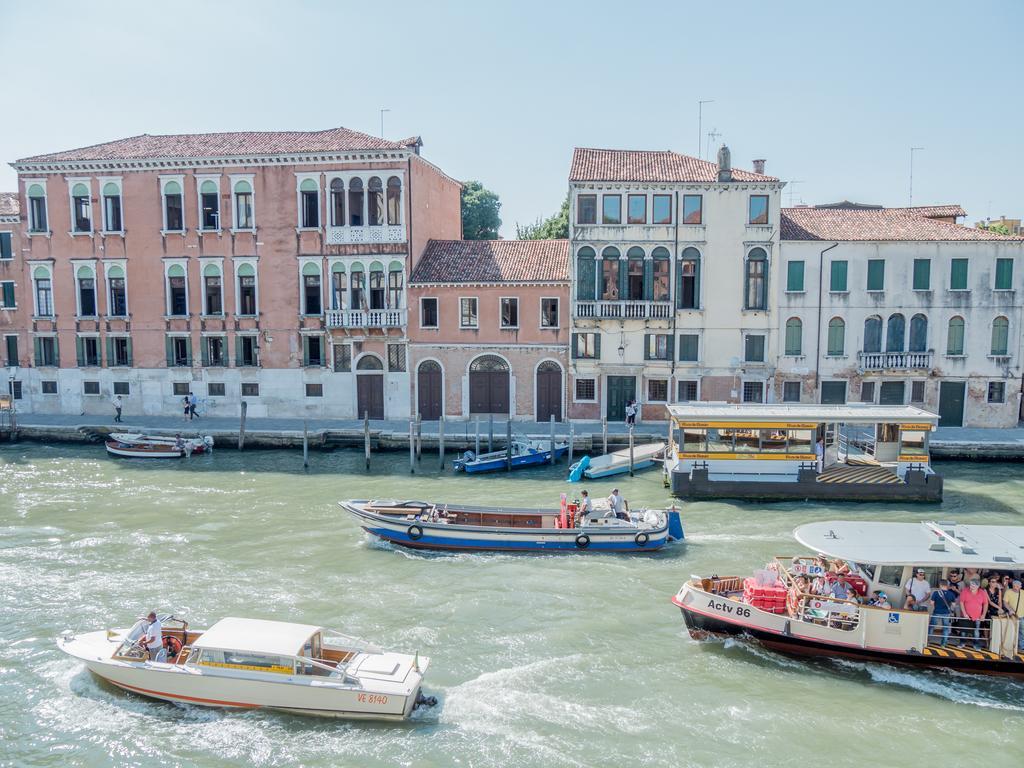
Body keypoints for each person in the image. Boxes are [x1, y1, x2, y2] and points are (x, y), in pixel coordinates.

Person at [958, 580, 988, 650]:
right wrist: (965, 613)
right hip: (966, 616)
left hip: (977, 616)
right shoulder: (965, 591)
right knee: (963, 631)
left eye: (973, 586)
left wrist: (983, 615)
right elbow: (961, 602)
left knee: (976, 632)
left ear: (978, 586)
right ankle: (962, 643)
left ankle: (976, 645)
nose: (971, 587)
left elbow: (986, 604)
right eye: (971, 585)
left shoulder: (982, 592)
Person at [929, 579, 958, 647]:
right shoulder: (951, 594)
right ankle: (943, 644)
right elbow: (954, 605)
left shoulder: (936, 593)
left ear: (940, 585)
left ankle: (928, 641)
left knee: (931, 627)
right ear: (947, 585)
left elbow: (931, 603)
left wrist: (936, 605)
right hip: (946, 613)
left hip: (937, 612)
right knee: (945, 628)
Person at [1003, 579, 1024, 652]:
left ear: (1020, 587)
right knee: (1012, 631)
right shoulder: (1008, 592)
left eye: (1017, 586)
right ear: (1012, 585)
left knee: (1022, 632)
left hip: (1021, 616)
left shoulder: (1023, 592)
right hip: (1013, 616)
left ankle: (1021, 647)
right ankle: (1012, 646)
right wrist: (1010, 610)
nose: (1015, 588)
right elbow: (1005, 602)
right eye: (1014, 586)